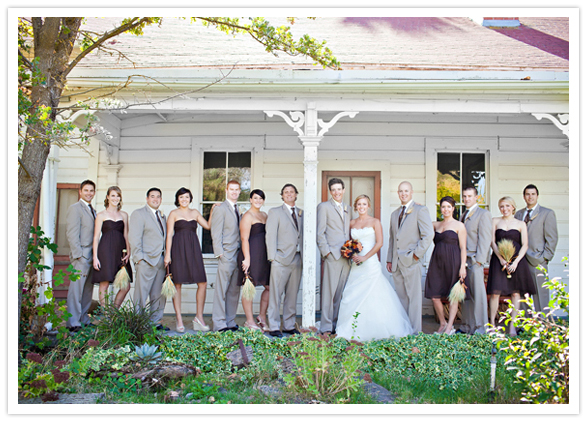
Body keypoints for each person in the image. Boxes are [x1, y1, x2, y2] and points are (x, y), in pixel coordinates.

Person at [336, 195, 412, 341]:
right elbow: (347, 242)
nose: (361, 207)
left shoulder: (375, 222)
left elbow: (379, 243)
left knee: (374, 294)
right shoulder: (351, 223)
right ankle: (354, 328)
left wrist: (365, 257)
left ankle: (376, 329)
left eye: (364, 204)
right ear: (356, 206)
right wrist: (350, 253)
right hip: (356, 264)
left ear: (368, 206)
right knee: (353, 294)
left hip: (370, 263)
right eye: (359, 204)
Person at [386, 181, 434, 334]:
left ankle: (415, 332)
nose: (403, 194)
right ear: (398, 193)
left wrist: (416, 255)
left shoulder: (420, 210)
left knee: (414, 299)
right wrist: (389, 259)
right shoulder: (394, 214)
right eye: (401, 191)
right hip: (396, 262)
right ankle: (404, 329)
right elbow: (392, 239)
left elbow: (428, 235)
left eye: (406, 191)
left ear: (412, 192)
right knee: (401, 298)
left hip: (411, 261)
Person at [164, 187, 213, 333]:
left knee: (202, 282)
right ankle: (179, 319)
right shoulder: (173, 213)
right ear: (177, 199)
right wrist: (167, 254)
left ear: (190, 199)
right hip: (178, 249)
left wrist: (212, 210)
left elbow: (208, 226)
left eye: (186, 197)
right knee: (177, 284)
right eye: (181, 197)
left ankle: (199, 318)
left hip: (193, 250)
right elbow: (169, 235)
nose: (184, 199)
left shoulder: (195, 213)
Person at [487, 196, 536, 336]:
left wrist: (515, 262)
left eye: (507, 206)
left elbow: (525, 245)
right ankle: (492, 324)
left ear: (513, 207)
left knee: (515, 293)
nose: (505, 209)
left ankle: (512, 326)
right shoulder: (495, 221)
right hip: (498, 261)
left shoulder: (521, 224)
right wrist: (501, 259)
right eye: (502, 206)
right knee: (495, 293)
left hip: (516, 262)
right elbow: (492, 242)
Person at [424, 196, 471, 335]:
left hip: (454, 262)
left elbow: (463, 248)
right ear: (440, 208)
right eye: (443, 207)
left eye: (448, 207)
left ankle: (450, 327)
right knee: (434, 295)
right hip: (437, 262)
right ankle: (443, 323)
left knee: (453, 296)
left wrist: (462, 267)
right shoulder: (435, 225)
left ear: (453, 209)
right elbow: (421, 223)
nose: (446, 209)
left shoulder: (459, 225)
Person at [265, 184, 303, 338]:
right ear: (282, 195)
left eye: (292, 192)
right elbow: (270, 235)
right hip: (280, 259)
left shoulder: (301, 213)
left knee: (292, 294)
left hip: (297, 258)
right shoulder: (275, 212)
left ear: (296, 194)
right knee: (276, 295)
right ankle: (274, 326)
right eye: (286, 192)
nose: (289, 194)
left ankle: (289, 325)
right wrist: (272, 257)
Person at [514, 184, 558, 314]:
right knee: (522, 294)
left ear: (537, 196)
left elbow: (552, 238)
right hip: (521, 260)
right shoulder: (518, 214)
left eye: (533, 194)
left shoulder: (547, 213)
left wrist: (545, 258)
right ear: (524, 196)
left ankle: (543, 322)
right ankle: (525, 322)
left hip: (538, 259)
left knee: (541, 294)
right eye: (527, 194)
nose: (530, 197)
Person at [129, 187, 169, 331]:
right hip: (146, 260)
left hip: (160, 261)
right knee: (141, 294)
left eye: (158, 197)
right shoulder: (139, 214)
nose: (155, 199)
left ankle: (155, 323)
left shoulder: (162, 216)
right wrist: (139, 258)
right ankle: (138, 324)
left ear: (161, 199)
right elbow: (134, 237)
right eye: (152, 196)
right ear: (147, 199)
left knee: (158, 295)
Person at [316, 178, 351, 334]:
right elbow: (320, 233)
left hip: (346, 257)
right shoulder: (324, 207)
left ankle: (336, 325)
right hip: (333, 256)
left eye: (339, 189)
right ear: (330, 191)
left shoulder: (348, 208)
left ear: (344, 190)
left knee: (340, 294)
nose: (337, 192)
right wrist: (327, 253)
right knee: (328, 294)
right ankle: (325, 326)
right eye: (334, 189)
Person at [458, 186, 492, 335]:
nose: (466, 199)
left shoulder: (483, 214)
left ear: (476, 197)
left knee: (478, 296)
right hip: (463, 261)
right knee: (466, 295)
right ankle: (467, 326)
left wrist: (479, 261)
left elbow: (485, 238)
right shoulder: (463, 215)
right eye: (464, 196)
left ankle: (481, 328)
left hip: (475, 261)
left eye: (470, 196)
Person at [210, 180, 243, 332]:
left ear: (240, 191)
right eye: (231, 189)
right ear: (226, 190)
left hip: (238, 255)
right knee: (221, 290)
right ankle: (219, 323)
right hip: (226, 254)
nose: (234, 192)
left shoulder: (239, 209)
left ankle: (230, 321)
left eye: (236, 189)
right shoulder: (220, 208)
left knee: (234, 290)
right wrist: (220, 253)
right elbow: (215, 232)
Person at [92, 186, 132, 308]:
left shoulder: (124, 215)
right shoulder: (101, 215)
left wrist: (128, 252)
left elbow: (126, 235)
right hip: (105, 251)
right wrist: (95, 257)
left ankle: (114, 311)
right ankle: (106, 314)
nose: (115, 198)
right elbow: (96, 237)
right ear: (108, 197)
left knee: (126, 286)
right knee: (104, 283)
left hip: (120, 251)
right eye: (113, 195)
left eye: (118, 196)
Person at [65, 180, 97, 331]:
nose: (89, 193)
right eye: (86, 190)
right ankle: (73, 322)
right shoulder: (75, 209)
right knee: (76, 290)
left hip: (92, 255)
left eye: (91, 191)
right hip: (81, 256)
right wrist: (78, 255)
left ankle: (84, 318)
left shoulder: (93, 210)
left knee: (87, 290)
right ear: (80, 191)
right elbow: (72, 233)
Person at [237, 189, 271, 331]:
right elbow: (244, 239)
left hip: (264, 255)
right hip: (251, 255)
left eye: (260, 198)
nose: (258, 201)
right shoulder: (247, 216)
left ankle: (261, 316)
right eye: (255, 198)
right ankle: (250, 321)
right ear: (250, 200)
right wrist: (247, 259)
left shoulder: (265, 215)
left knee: (270, 288)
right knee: (249, 288)